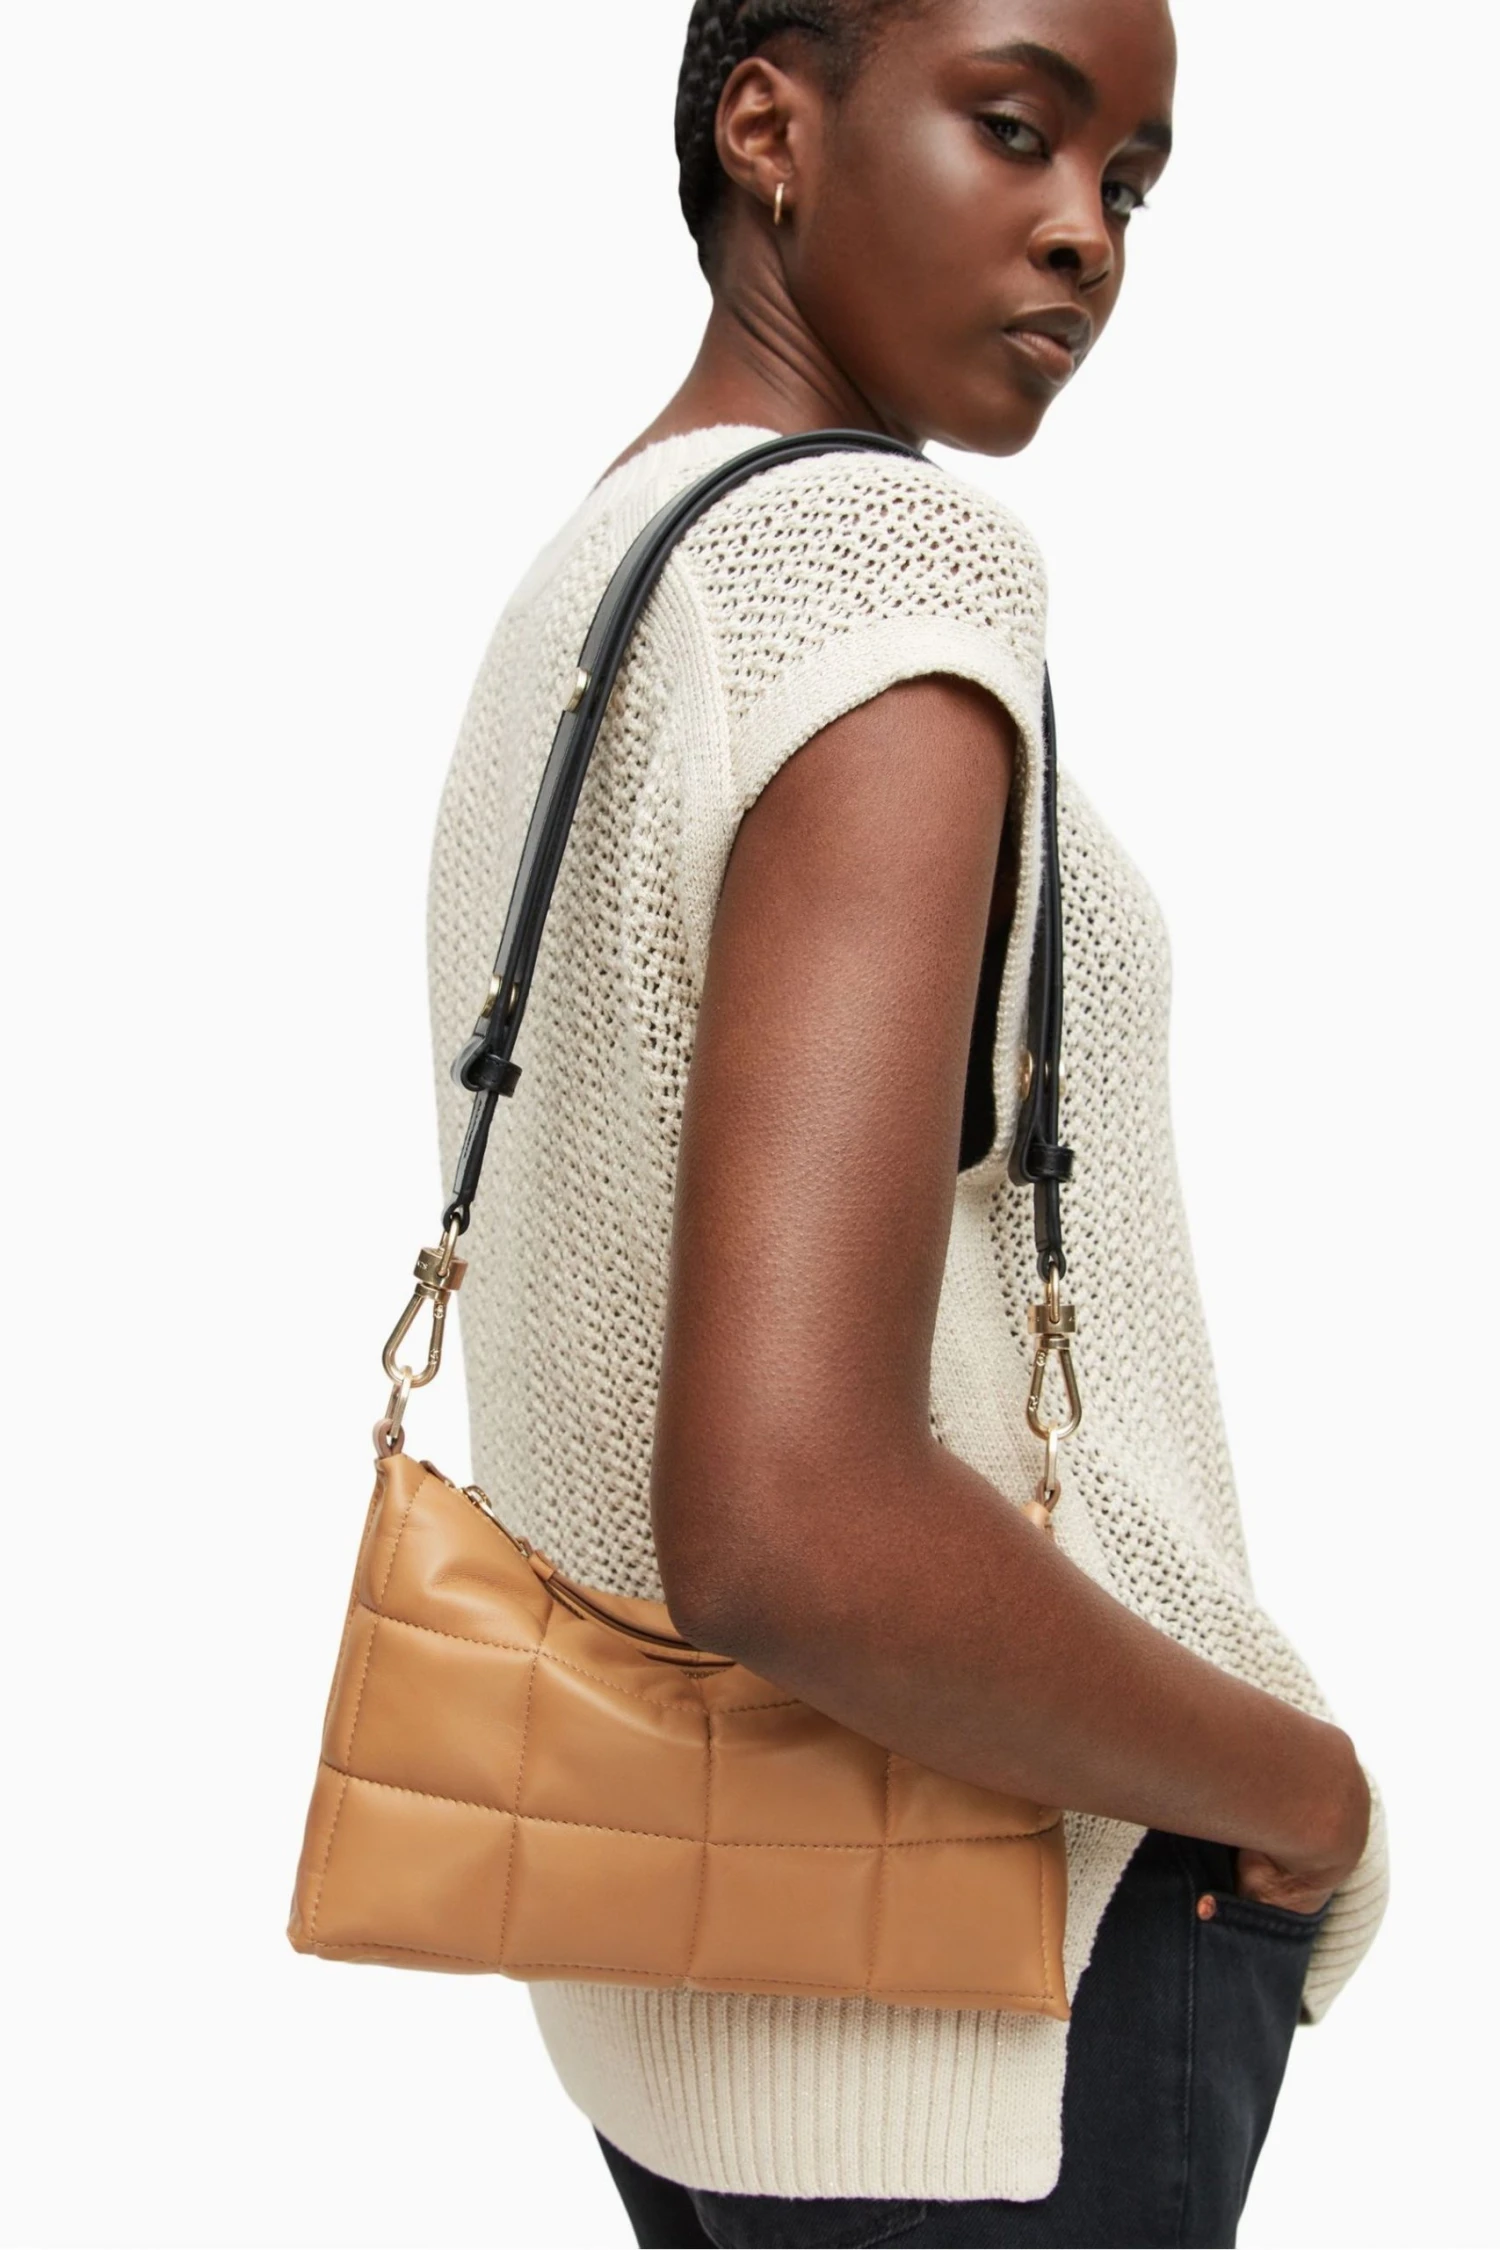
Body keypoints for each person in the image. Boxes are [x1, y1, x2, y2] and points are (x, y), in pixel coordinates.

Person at [425, 2, 1389, 2242]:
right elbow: (788, 1517)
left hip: (679, 1973)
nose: (1085, 235)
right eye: (1015, 127)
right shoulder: (874, 568)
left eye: (1128, 182)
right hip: (1001, 1978)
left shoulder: (598, 581)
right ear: (769, 124)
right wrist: (1307, 1793)